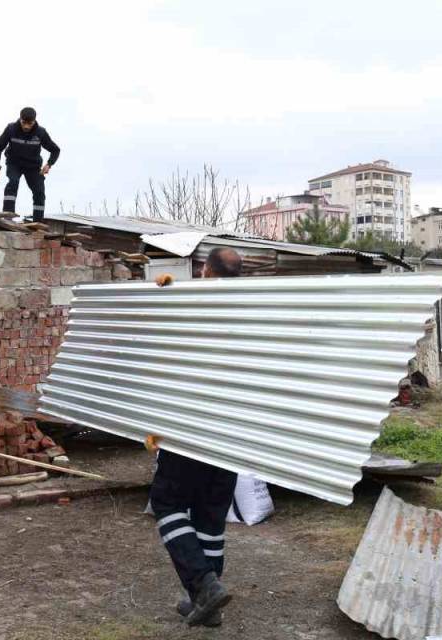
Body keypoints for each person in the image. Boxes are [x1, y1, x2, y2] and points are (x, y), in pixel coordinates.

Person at [149, 247, 244, 628]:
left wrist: (163, 294)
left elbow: (162, 351)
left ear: (205, 271)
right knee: (210, 516)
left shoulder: (195, 305)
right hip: (233, 432)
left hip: (191, 426)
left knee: (167, 503)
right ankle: (207, 605)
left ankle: (204, 586)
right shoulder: (254, 310)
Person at [0, 107, 60, 222]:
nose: (26, 127)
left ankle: (38, 222)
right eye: (24, 123)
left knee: (39, 191)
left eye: (30, 123)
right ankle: (8, 216)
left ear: (34, 121)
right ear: (20, 119)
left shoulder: (40, 133)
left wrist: (49, 164)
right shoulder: (11, 129)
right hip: (14, 163)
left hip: (32, 166)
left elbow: (55, 150)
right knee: (13, 183)